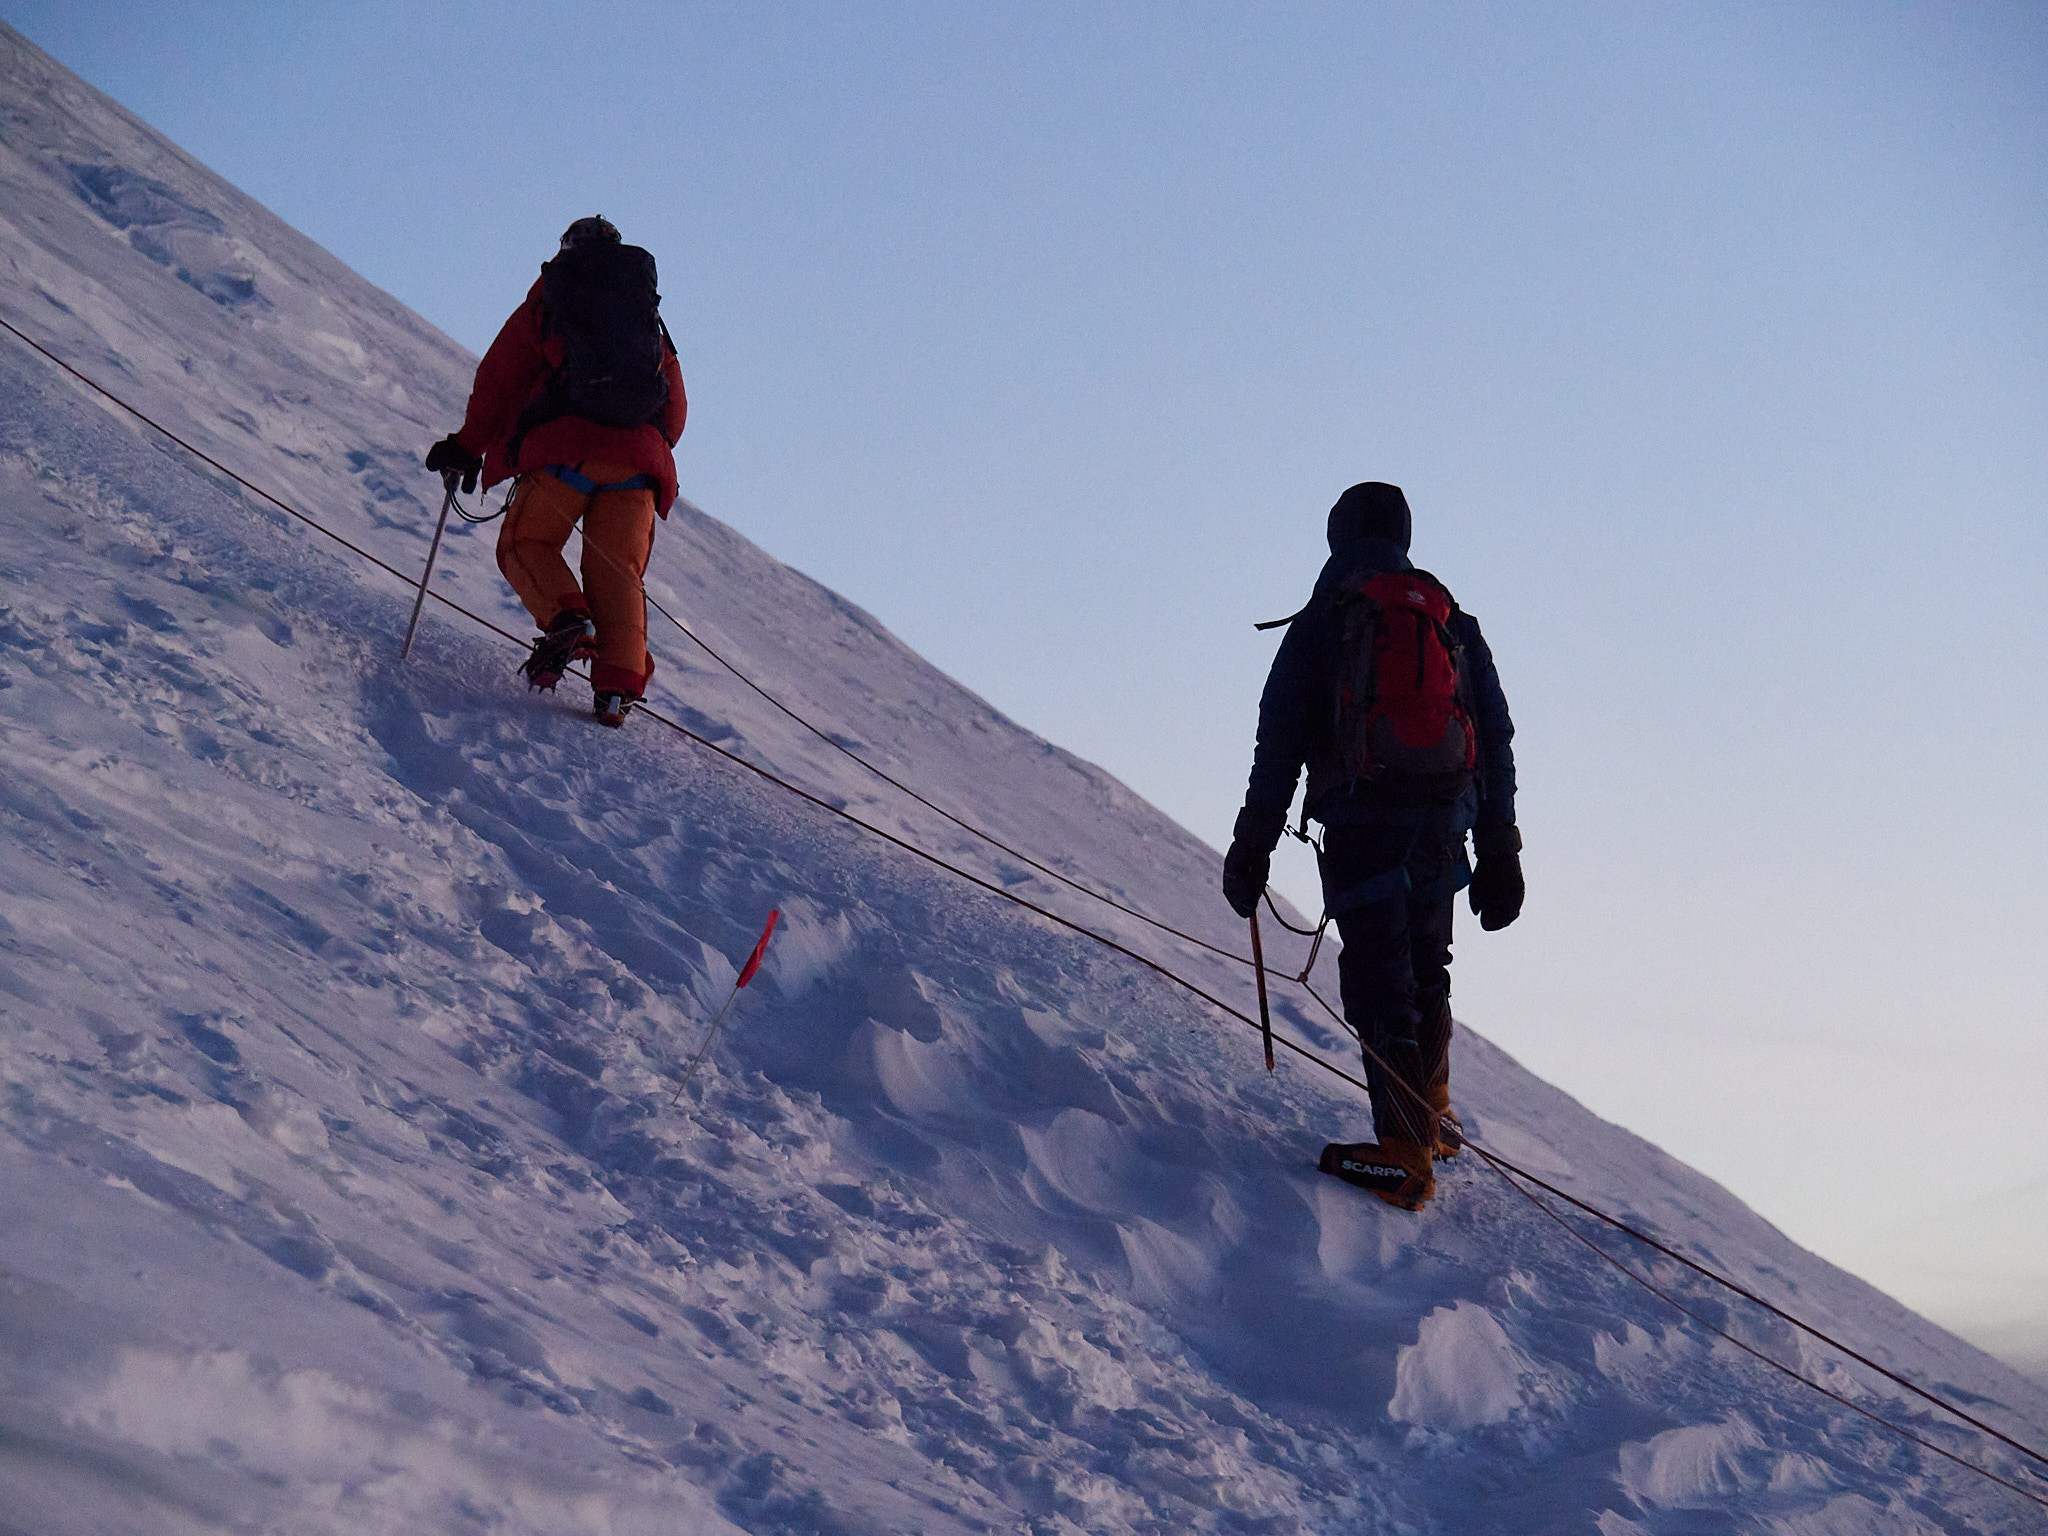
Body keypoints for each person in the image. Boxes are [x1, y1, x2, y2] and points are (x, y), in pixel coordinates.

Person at [1222, 481, 1522, 1212]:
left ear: (1337, 537)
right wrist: (1500, 850)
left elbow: (1280, 738)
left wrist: (1252, 842)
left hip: (1363, 820)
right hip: (1445, 819)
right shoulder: (1451, 621)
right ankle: (1433, 1112)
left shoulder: (1328, 614)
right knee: (1426, 964)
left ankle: (1404, 1153)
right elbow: (1494, 739)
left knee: (1379, 975)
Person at [425, 215, 687, 727]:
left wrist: (467, 447)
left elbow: (500, 381)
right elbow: (674, 411)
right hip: (639, 467)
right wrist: (634, 446)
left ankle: (568, 619)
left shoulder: (549, 301)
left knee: (527, 545)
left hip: (564, 454)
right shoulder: (646, 318)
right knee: (618, 575)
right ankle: (616, 690)